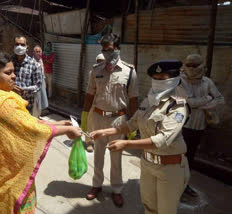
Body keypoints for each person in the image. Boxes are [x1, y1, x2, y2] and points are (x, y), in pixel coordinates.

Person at [0, 51, 81, 214]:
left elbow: (25, 121)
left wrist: (58, 123)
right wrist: (67, 129)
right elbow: (32, 129)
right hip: (4, 181)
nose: (14, 76)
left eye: (13, 71)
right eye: (8, 73)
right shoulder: (2, 103)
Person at [91, 60, 190, 214]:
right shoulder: (149, 101)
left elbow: (162, 140)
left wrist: (126, 144)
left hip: (169, 167)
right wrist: (104, 132)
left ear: (174, 79)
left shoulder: (178, 106)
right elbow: (131, 124)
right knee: (149, 207)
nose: (158, 82)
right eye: (155, 78)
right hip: (147, 164)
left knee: (165, 211)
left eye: (163, 78)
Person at [81, 33, 139, 207]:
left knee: (116, 156)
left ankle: (116, 189)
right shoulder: (96, 70)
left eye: (110, 49)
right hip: (98, 118)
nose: (107, 53)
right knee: (98, 155)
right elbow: (89, 95)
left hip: (118, 120)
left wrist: (133, 125)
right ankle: (96, 185)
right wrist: (84, 118)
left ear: (118, 49)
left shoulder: (129, 72)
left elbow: (133, 100)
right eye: (104, 50)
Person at [180, 54, 225, 197]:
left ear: (201, 66)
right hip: (183, 125)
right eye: (189, 65)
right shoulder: (181, 81)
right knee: (179, 157)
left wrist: (202, 105)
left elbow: (220, 99)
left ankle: (184, 185)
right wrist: (207, 98)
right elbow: (190, 102)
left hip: (199, 126)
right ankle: (175, 185)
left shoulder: (207, 82)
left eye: (195, 65)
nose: (191, 68)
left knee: (190, 157)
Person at [12, 35, 42, 113]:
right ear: (14, 46)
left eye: (22, 45)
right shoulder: (8, 62)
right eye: (17, 44)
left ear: (27, 48)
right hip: (11, 103)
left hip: (27, 105)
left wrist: (24, 90)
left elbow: (38, 86)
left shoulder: (34, 64)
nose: (19, 47)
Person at [84, 53, 105, 153]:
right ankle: (88, 142)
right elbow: (90, 89)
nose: (100, 64)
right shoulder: (92, 72)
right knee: (90, 123)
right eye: (99, 62)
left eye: (102, 62)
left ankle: (98, 142)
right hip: (93, 101)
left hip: (104, 102)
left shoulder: (109, 73)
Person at [32, 45, 48, 118]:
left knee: (42, 98)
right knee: (36, 100)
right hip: (35, 83)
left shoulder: (40, 60)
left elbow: (42, 71)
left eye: (39, 51)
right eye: (37, 51)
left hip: (41, 81)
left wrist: (44, 81)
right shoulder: (32, 62)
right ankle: (36, 116)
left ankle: (39, 114)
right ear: (34, 53)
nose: (38, 53)